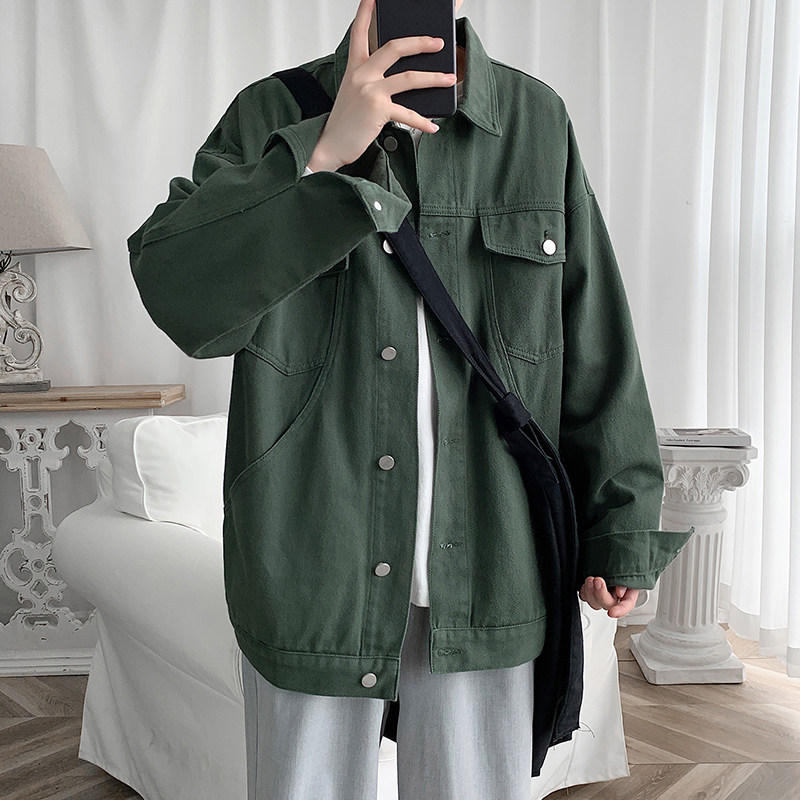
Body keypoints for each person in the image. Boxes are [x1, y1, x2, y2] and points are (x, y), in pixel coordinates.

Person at [128, 0, 694, 797]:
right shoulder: (271, 112)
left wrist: (619, 523)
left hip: (491, 559)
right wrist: (320, 152)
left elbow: (593, 333)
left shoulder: (533, 121)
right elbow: (180, 297)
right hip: (313, 558)